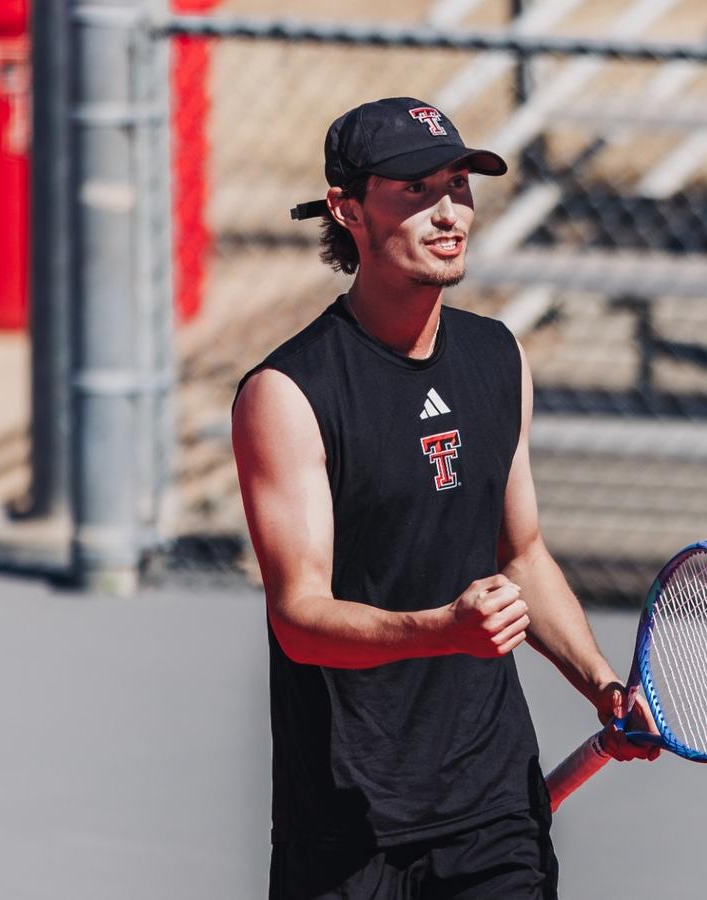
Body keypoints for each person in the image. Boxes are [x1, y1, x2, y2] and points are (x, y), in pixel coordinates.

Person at [232, 97, 658, 900]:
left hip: (494, 805)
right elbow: (299, 617)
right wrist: (441, 632)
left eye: (458, 185)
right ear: (346, 210)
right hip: (348, 818)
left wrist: (603, 684)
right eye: (413, 191)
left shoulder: (498, 358)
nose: (447, 211)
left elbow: (521, 553)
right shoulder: (289, 394)